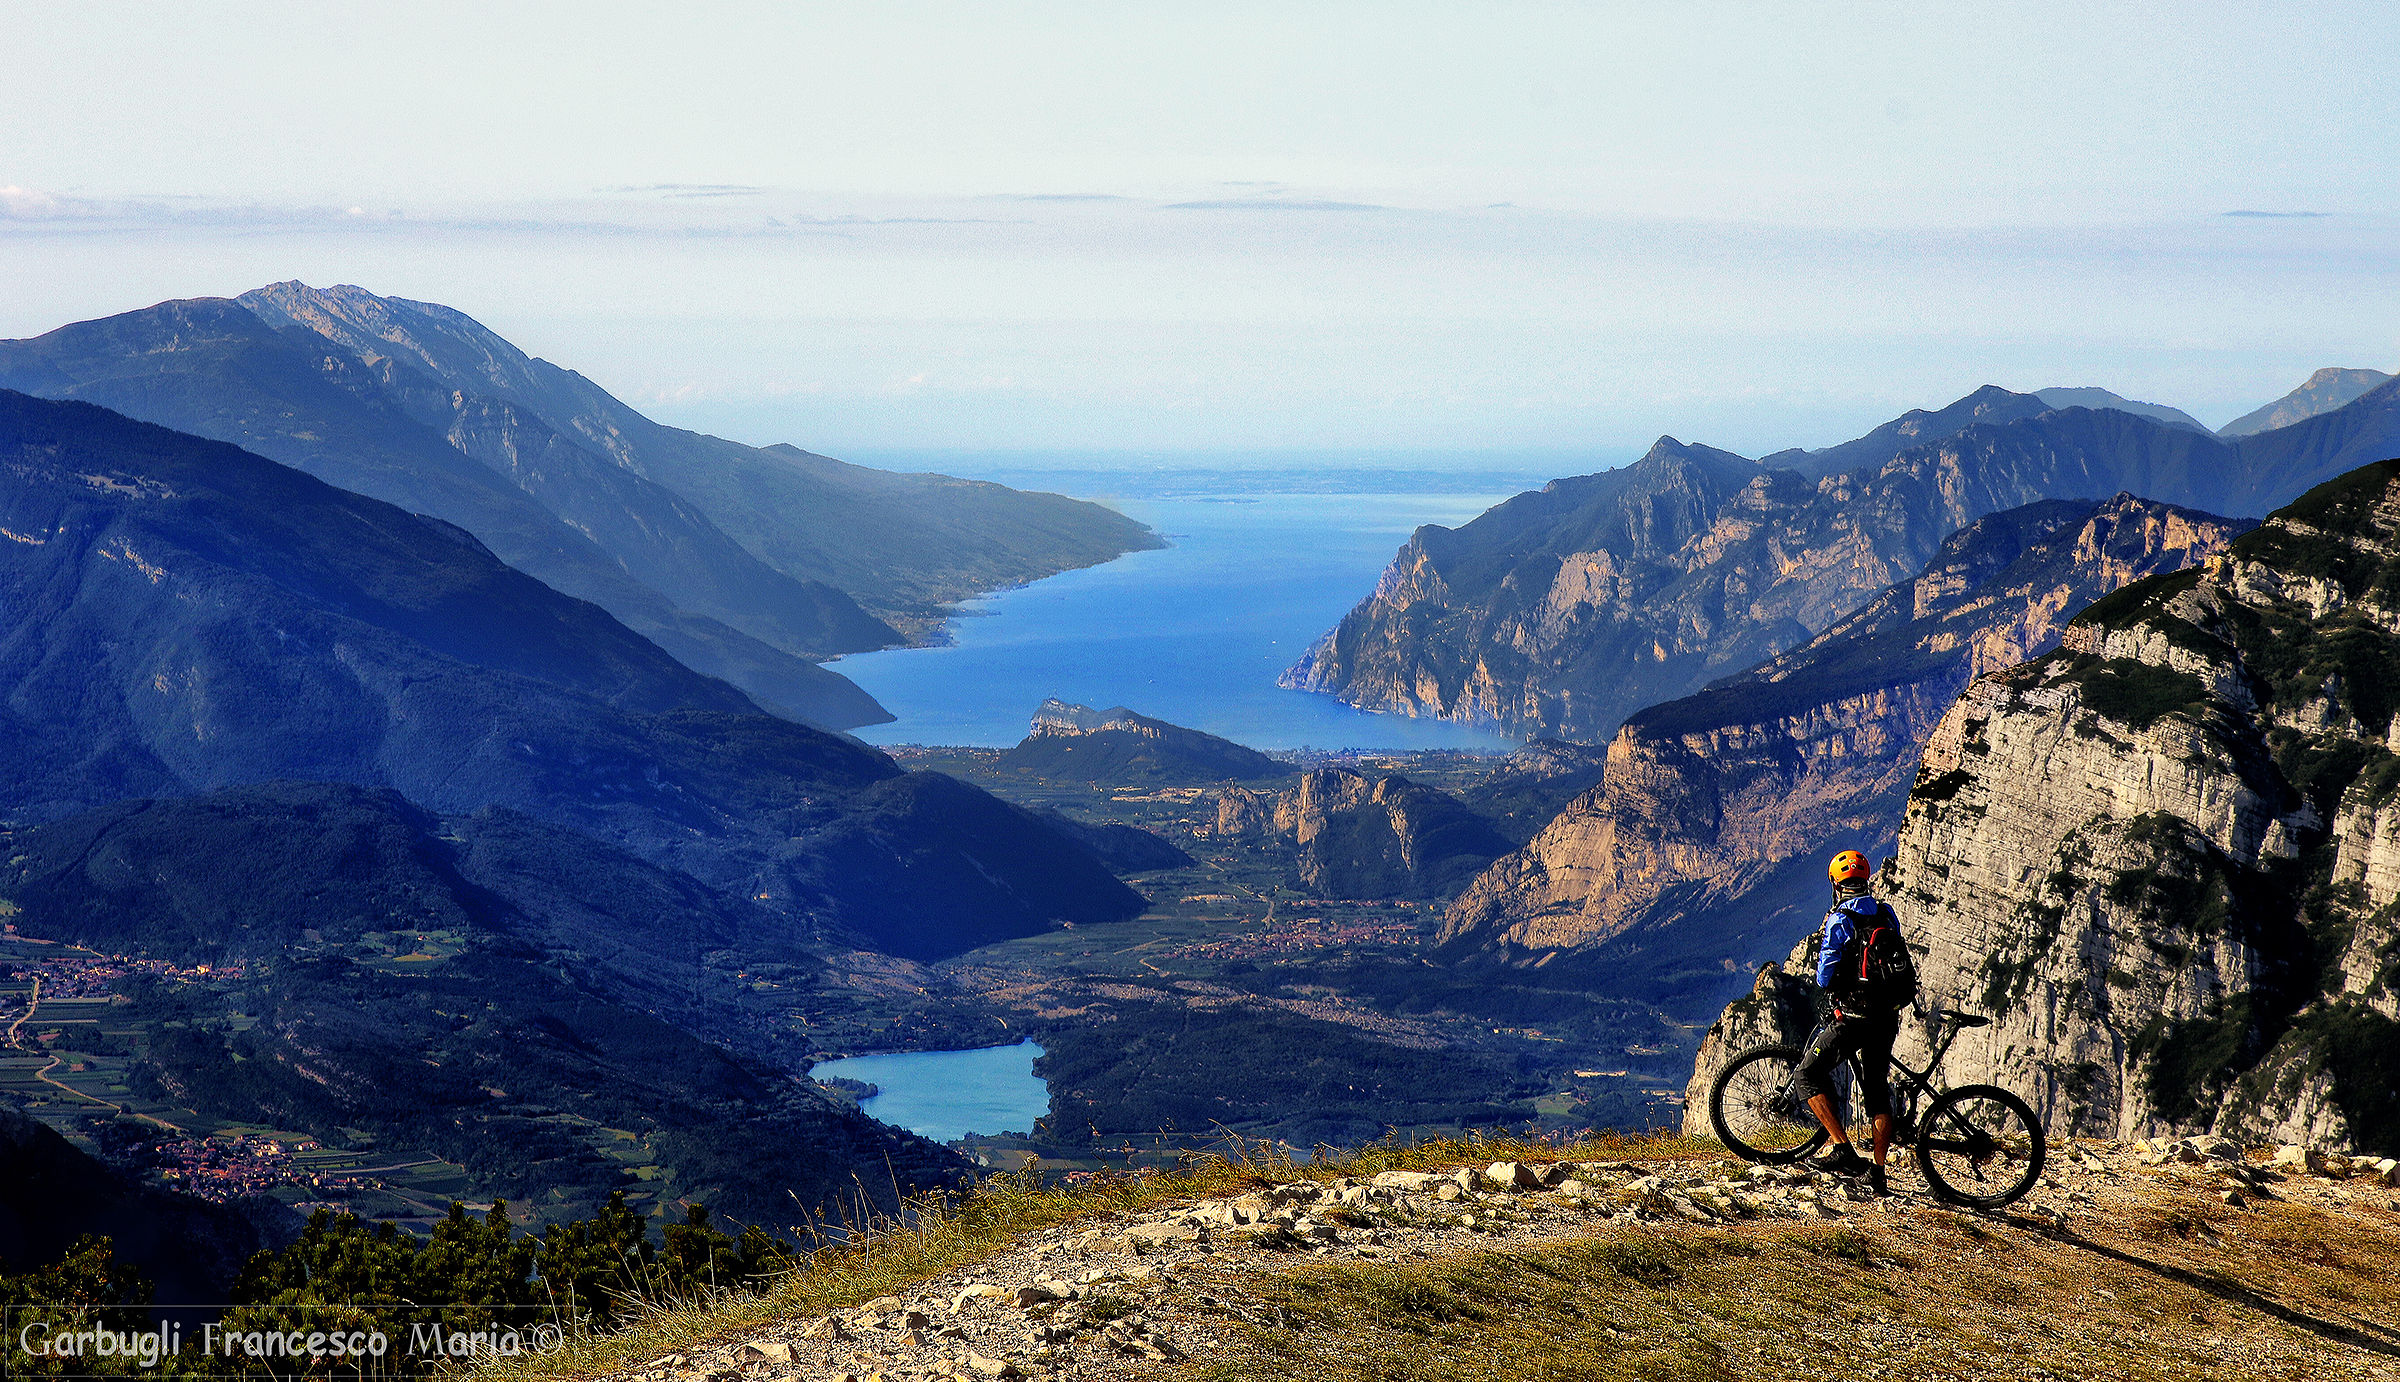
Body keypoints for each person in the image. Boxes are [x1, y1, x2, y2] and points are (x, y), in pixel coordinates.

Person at [1791, 849, 1906, 1196]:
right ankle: (1878, 1172)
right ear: (1866, 880)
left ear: (1836, 884)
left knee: (1807, 1074)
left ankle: (1842, 1148)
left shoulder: (1840, 919)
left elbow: (1824, 976)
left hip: (1855, 1017)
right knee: (1877, 1093)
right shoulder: (1886, 913)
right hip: (1887, 1016)